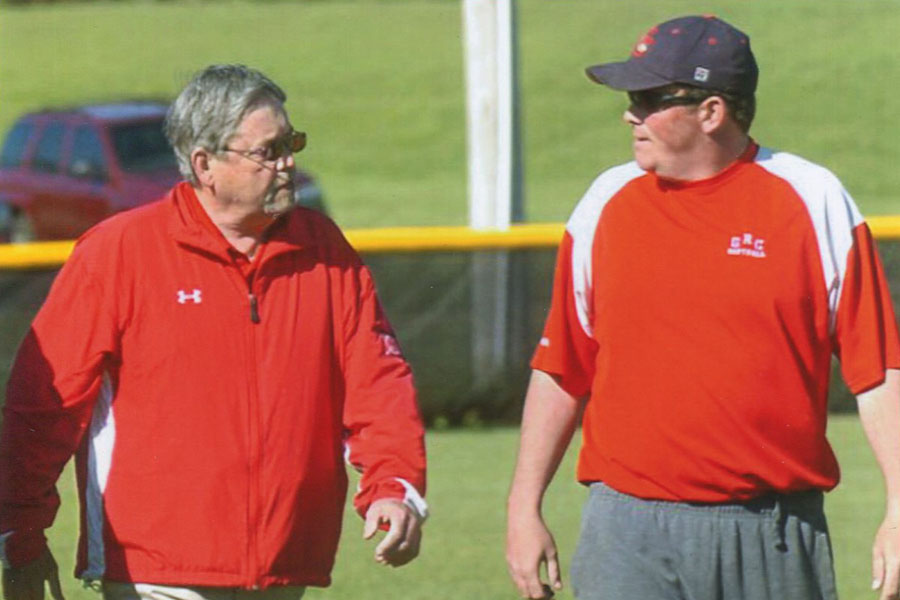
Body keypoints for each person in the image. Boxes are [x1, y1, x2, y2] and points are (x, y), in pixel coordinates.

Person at [506, 15, 900, 600]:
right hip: (626, 530)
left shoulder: (812, 199)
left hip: (772, 530)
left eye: (648, 98)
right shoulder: (604, 204)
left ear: (712, 111)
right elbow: (562, 366)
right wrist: (523, 506)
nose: (629, 114)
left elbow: (879, 372)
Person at [0, 64, 427, 600]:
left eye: (290, 143)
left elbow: (379, 385)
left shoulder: (326, 252)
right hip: (155, 573)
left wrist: (395, 488)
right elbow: (45, 404)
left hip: (285, 567)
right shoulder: (118, 253)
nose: (288, 163)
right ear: (204, 164)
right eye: (267, 151)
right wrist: (21, 531)